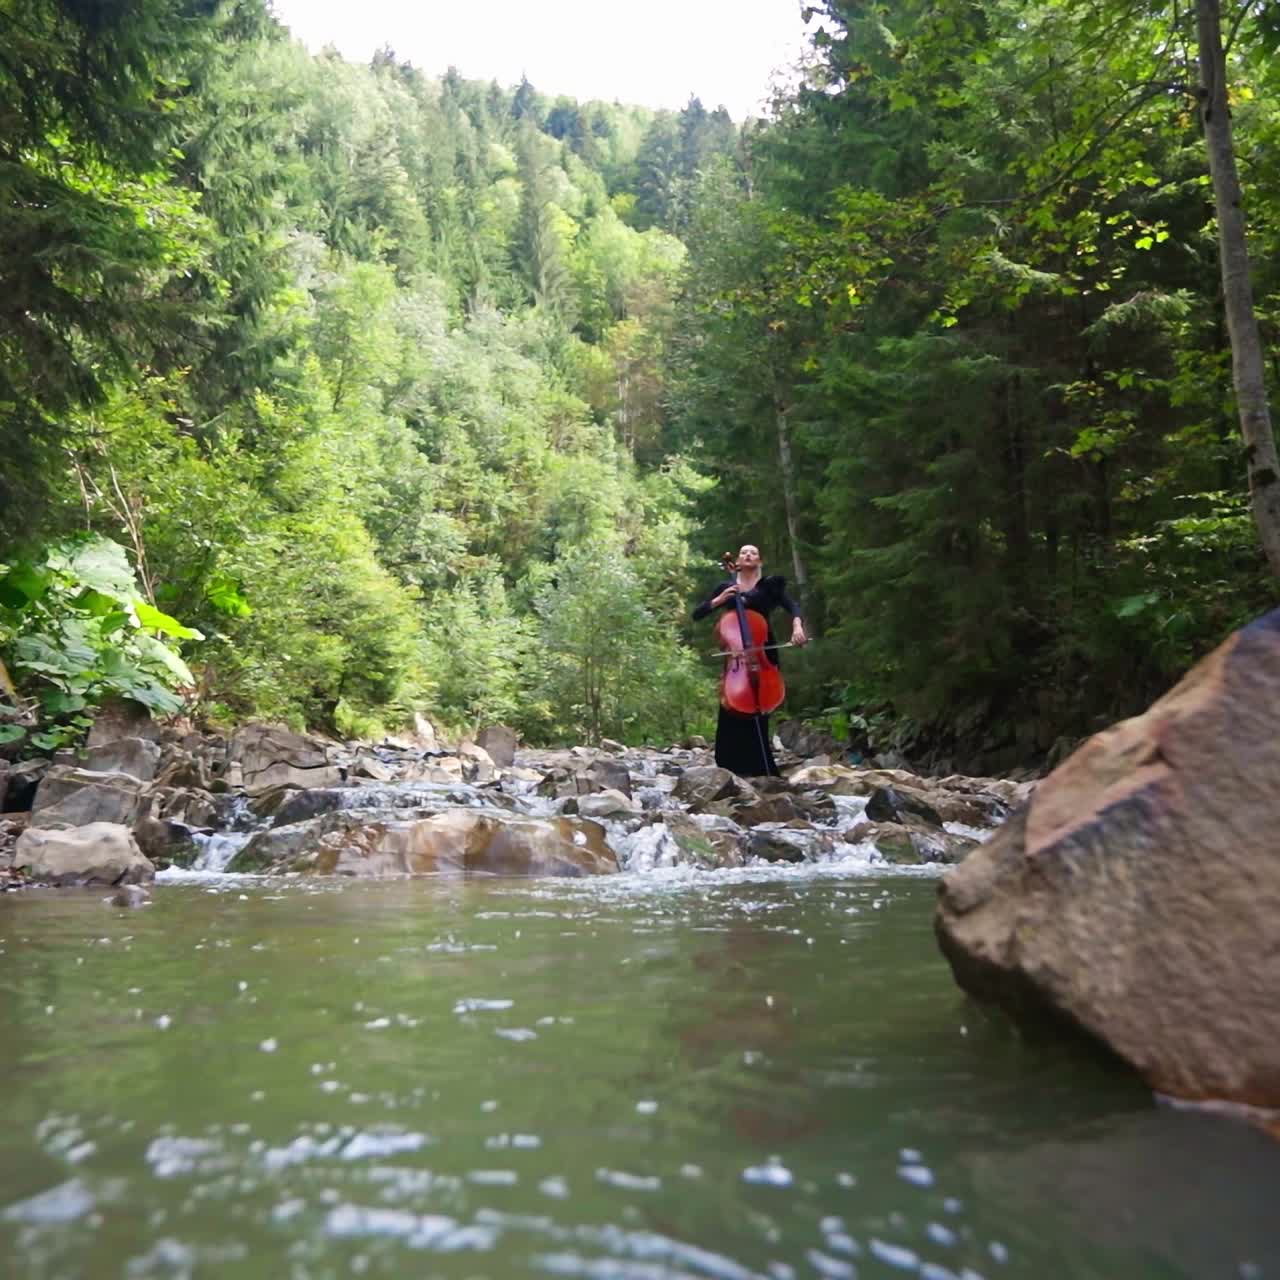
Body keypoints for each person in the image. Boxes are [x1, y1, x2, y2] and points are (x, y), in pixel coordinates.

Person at [692, 544, 807, 777]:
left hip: (763, 649)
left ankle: (762, 766)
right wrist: (719, 600)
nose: (748, 555)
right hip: (736, 657)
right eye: (744, 552)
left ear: (759, 561)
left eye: (753, 552)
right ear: (737, 560)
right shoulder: (727, 587)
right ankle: (731, 767)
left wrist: (797, 626)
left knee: (761, 706)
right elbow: (697, 614)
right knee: (731, 710)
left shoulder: (769, 586)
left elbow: (792, 606)